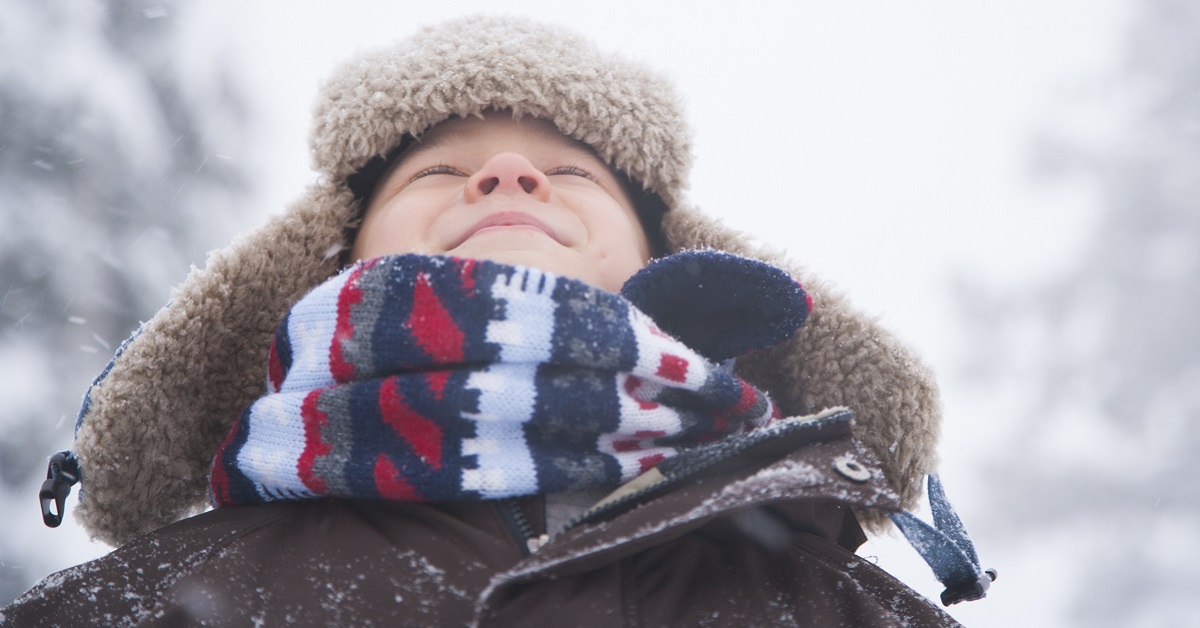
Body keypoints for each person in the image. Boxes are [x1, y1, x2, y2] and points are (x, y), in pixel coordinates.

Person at [3, 16, 991, 626]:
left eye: (569, 173)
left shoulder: (841, 610)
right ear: (338, 256)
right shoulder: (144, 606)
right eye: (438, 170)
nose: (509, 175)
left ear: (666, 257)